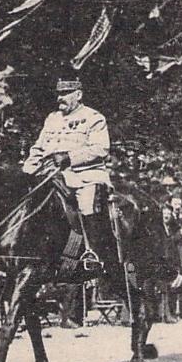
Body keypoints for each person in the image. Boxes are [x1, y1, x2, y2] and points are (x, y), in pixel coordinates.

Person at [21, 78, 119, 271]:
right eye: (59, 94)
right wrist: (27, 170)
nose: (60, 98)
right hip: (50, 174)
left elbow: (100, 149)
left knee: (86, 205)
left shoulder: (94, 118)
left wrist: (69, 157)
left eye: (65, 94)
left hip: (84, 175)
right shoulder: (52, 118)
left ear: (78, 95)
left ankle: (91, 254)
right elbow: (38, 147)